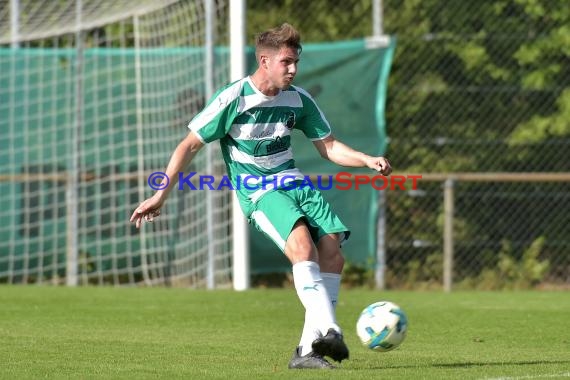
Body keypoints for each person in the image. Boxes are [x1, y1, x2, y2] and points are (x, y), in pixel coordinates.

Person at [130, 23, 392, 369]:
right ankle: (329, 329)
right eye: (286, 62)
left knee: (332, 252)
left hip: (294, 184)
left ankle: (306, 351)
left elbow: (327, 146)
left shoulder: (298, 99)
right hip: (259, 191)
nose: (294, 69)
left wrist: (366, 160)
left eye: (296, 61)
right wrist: (161, 194)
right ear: (264, 60)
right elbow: (189, 144)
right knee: (302, 246)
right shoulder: (234, 98)